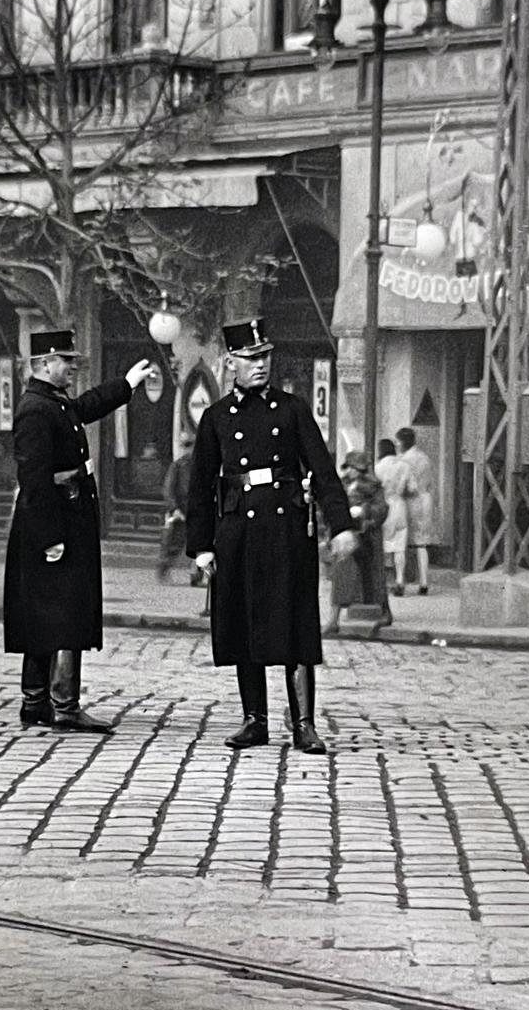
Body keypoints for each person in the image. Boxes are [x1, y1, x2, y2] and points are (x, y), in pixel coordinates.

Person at [186, 318, 357, 754]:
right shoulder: (216, 417)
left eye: (264, 357)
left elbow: (321, 469)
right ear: (230, 363)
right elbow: (201, 485)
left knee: (297, 624)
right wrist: (201, 547)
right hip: (238, 530)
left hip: (286, 530)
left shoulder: (293, 409)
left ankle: (304, 723)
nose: (260, 365)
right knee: (245, 623)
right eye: (250, 358)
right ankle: (254, 720)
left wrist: (341, 525)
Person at [4, 329, 154, 734]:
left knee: (44, 612)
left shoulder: (51, 402)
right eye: (66, 361)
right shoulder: (36, 408)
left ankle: (36, 702)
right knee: (65, 613)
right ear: (42, 364)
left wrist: (125, 385)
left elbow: (85, 407)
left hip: (62, 514)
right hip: (55, 518)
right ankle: (63, 705)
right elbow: (34, 478)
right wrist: (50, 536)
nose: (72, 367)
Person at [323, 450, 391, 634]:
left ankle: (385, 611)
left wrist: (363, 511)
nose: (350, 471)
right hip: (348, 533)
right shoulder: (343, 484)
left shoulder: (374, 487)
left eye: (353, 468)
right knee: (341, 574)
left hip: (367, 535)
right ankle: (334, 618)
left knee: (374, 576)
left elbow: (382, 508)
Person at [396, 425, 435, 594]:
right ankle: (424, 582)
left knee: (401, 542)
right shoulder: (424, 457)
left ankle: (400, 581)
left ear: (403, 442)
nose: (397, 445)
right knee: (422, 543)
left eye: (398, 442)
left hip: (410, 502)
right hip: (426, 500)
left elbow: (405, 486)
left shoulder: (403, 461)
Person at [156, 430, 199, 583]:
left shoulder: (203, 466)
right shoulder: (178, 465)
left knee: (201, 544)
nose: (190, 449)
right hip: (180, 510)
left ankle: (197, 575)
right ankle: (163, 568)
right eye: (187, 446)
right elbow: (168, 489)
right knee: (174, 542)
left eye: (192, 445)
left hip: (198, 510)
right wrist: (174, 508)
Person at [374, 436, 413, 597]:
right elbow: (412, 488)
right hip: (400, 506)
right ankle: (399, 580)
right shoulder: (404, 466)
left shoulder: (378, 467)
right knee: (399, 546)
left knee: (381, 546)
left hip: (383, 507)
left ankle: (382, 581)